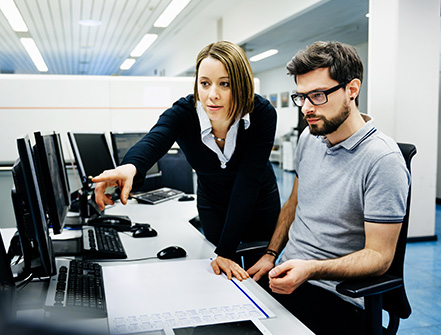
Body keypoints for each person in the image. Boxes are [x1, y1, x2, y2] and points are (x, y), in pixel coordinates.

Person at [247, 41, 410, 334]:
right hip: (286, 277)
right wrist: (271, 254)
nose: (307, 108)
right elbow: (294, 205)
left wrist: (311, 268)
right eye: (302, 97)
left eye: (318, 95)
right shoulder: (311, 138)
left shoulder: (382, 160)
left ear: (352, 89)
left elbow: (380, 257)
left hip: (337, 296)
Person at [93, 41, 280, 281]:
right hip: (212, 203)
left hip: (257, 202)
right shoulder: (184, 112)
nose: (212, 94)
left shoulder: (262, 113)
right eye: (205, 83)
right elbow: (155, 139)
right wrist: (129, 167)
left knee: (257, 276)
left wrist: (227, 251)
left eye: (225, 84)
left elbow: (248, 182)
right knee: (220, 274)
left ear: (241, 84)